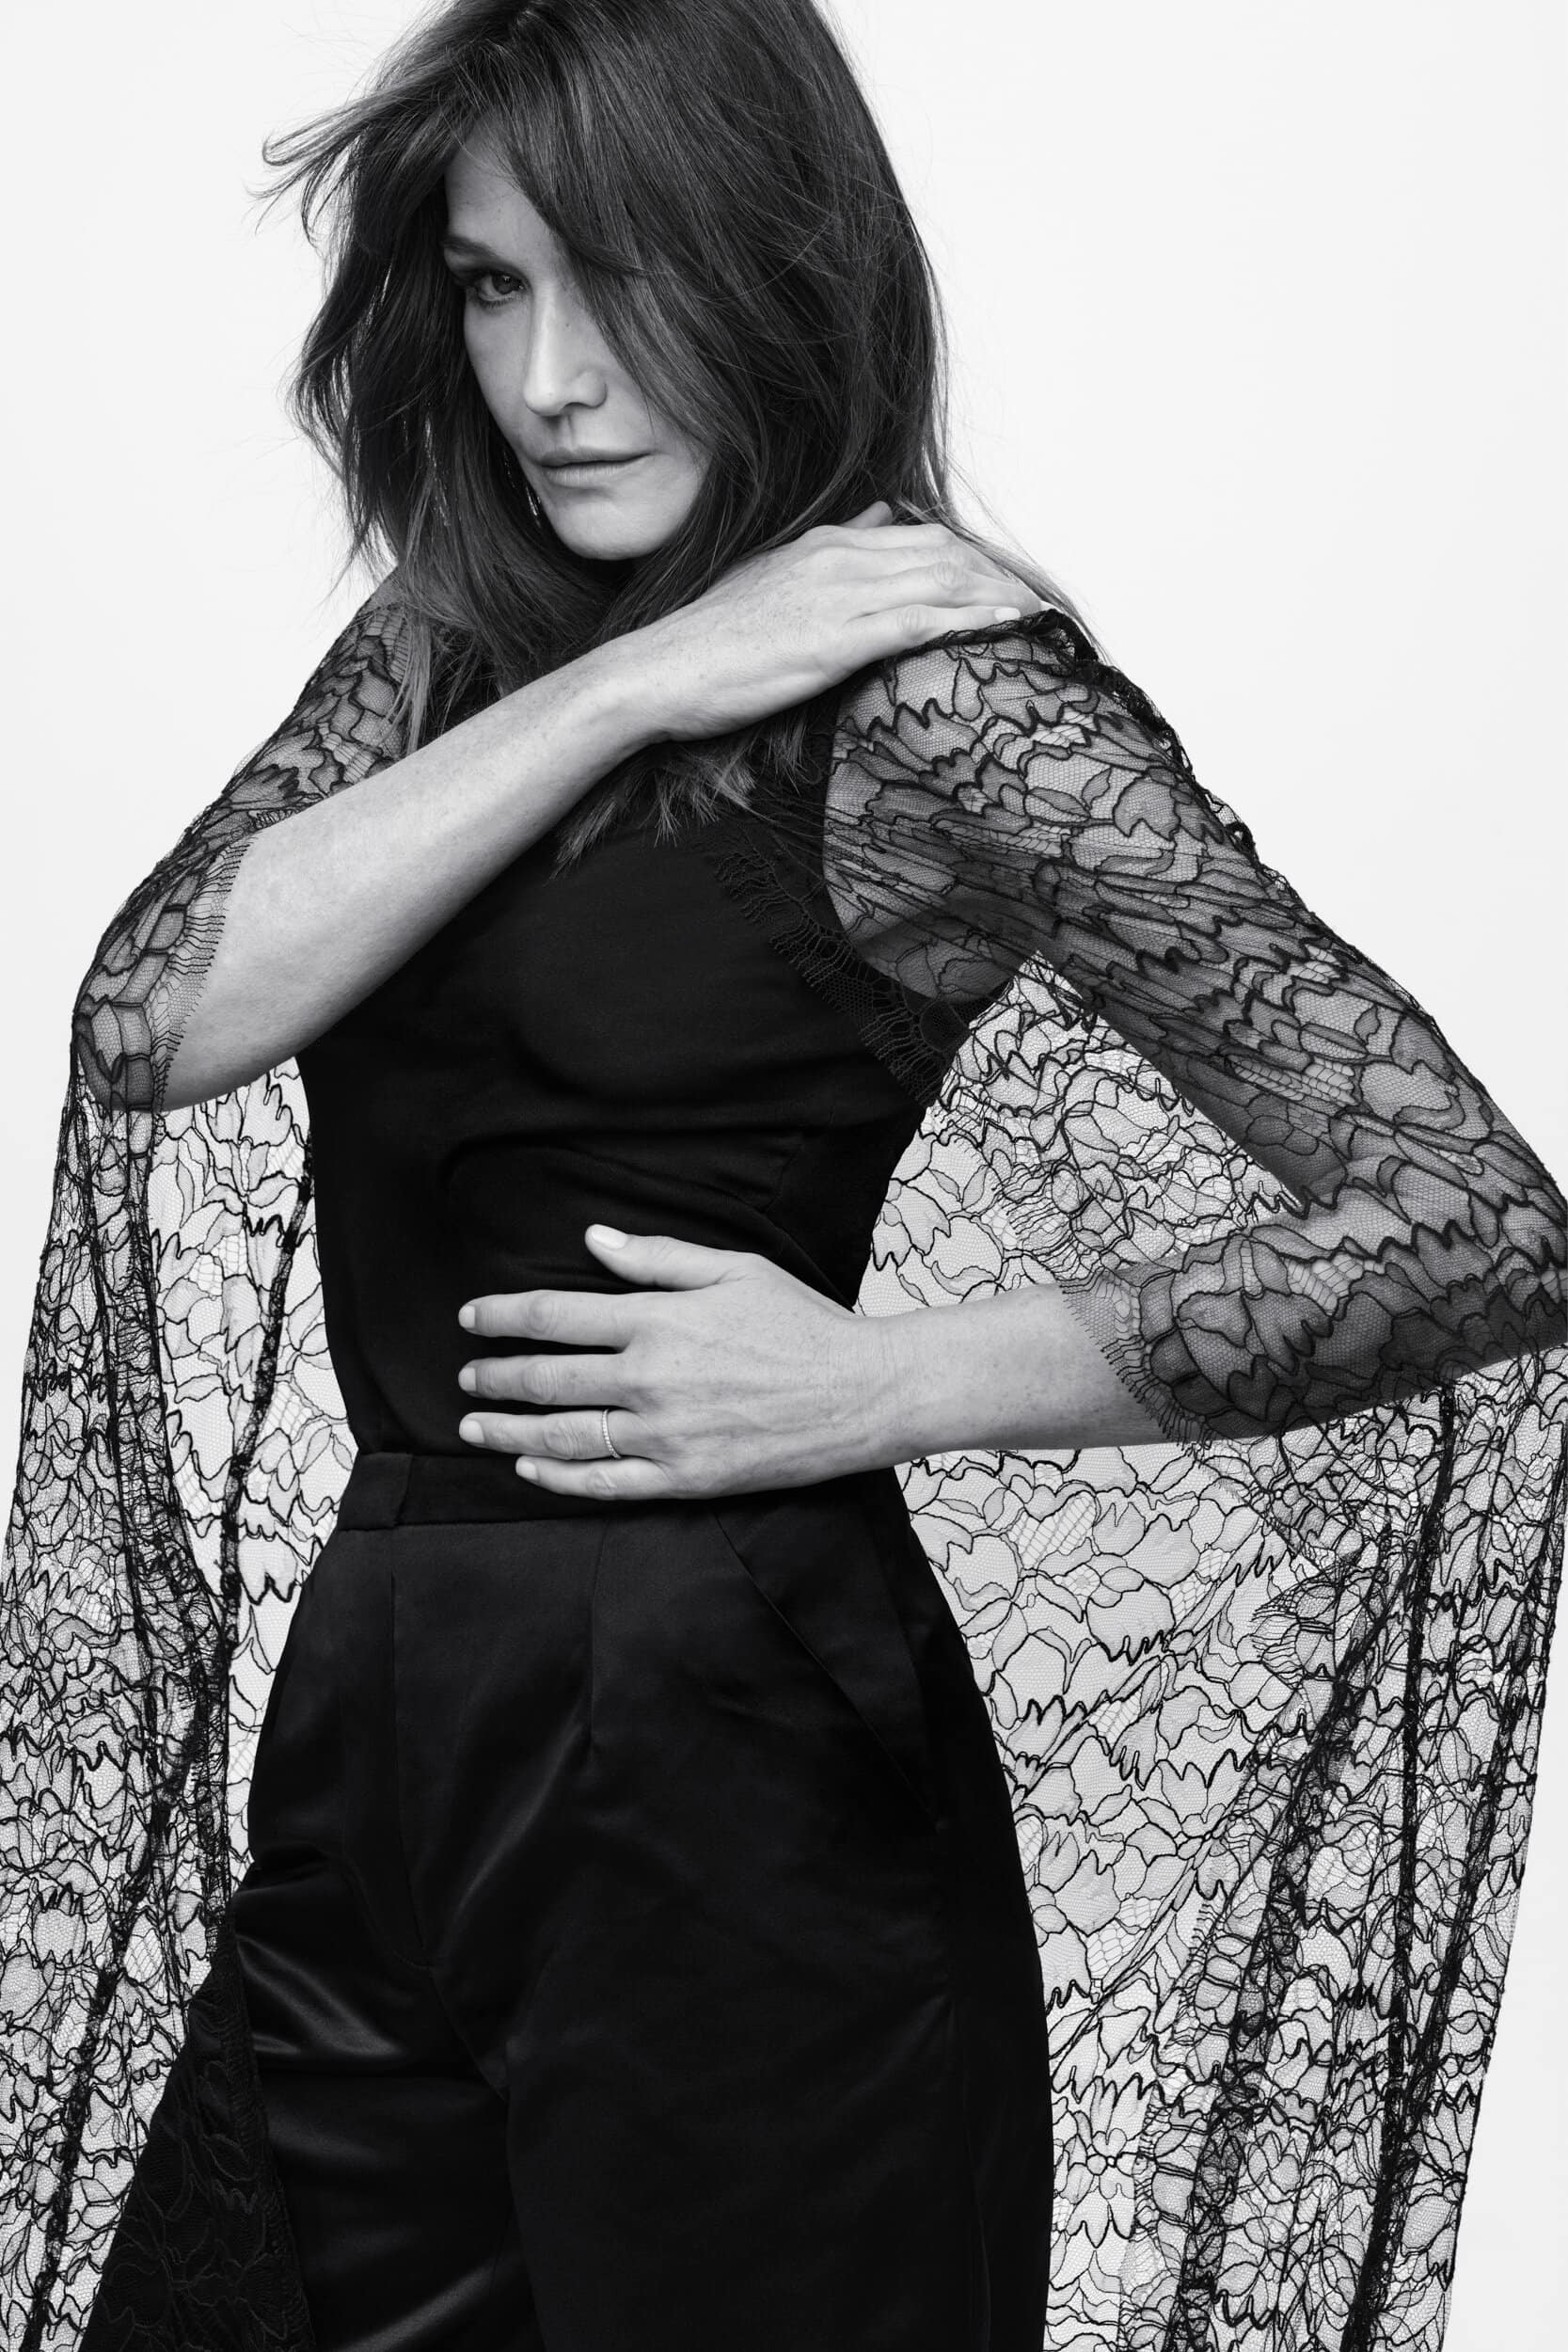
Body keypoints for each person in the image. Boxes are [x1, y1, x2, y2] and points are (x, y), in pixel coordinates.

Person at [2, 2, 1563, 2349]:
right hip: (384, 1730)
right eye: (493, 286)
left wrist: (874, 1381)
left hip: (733, 1759)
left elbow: (1482, 1224)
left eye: (617, 281)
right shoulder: (454, 650)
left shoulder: (940, 693)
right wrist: (643, 676)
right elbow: (152, 1018)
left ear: (776, 260)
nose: (548, 381)